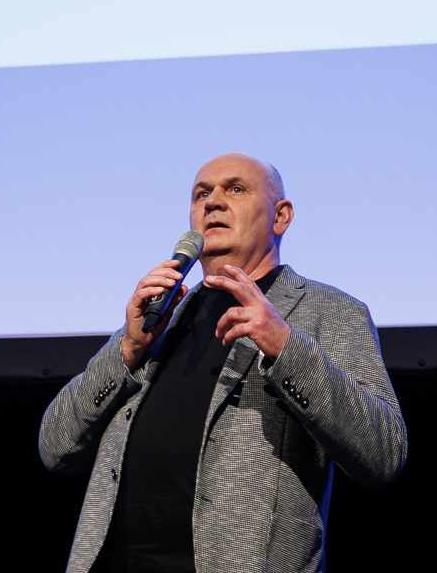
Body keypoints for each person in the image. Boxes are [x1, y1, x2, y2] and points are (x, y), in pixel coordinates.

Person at [40, 153, 407, 572]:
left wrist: (285, 346)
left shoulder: (330, 311)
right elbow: (55, 448)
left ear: (281, 216)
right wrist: (127, 349)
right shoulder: (157, 317)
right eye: (201, 194)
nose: (213, 201)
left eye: (235, 189)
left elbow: (383, 453)